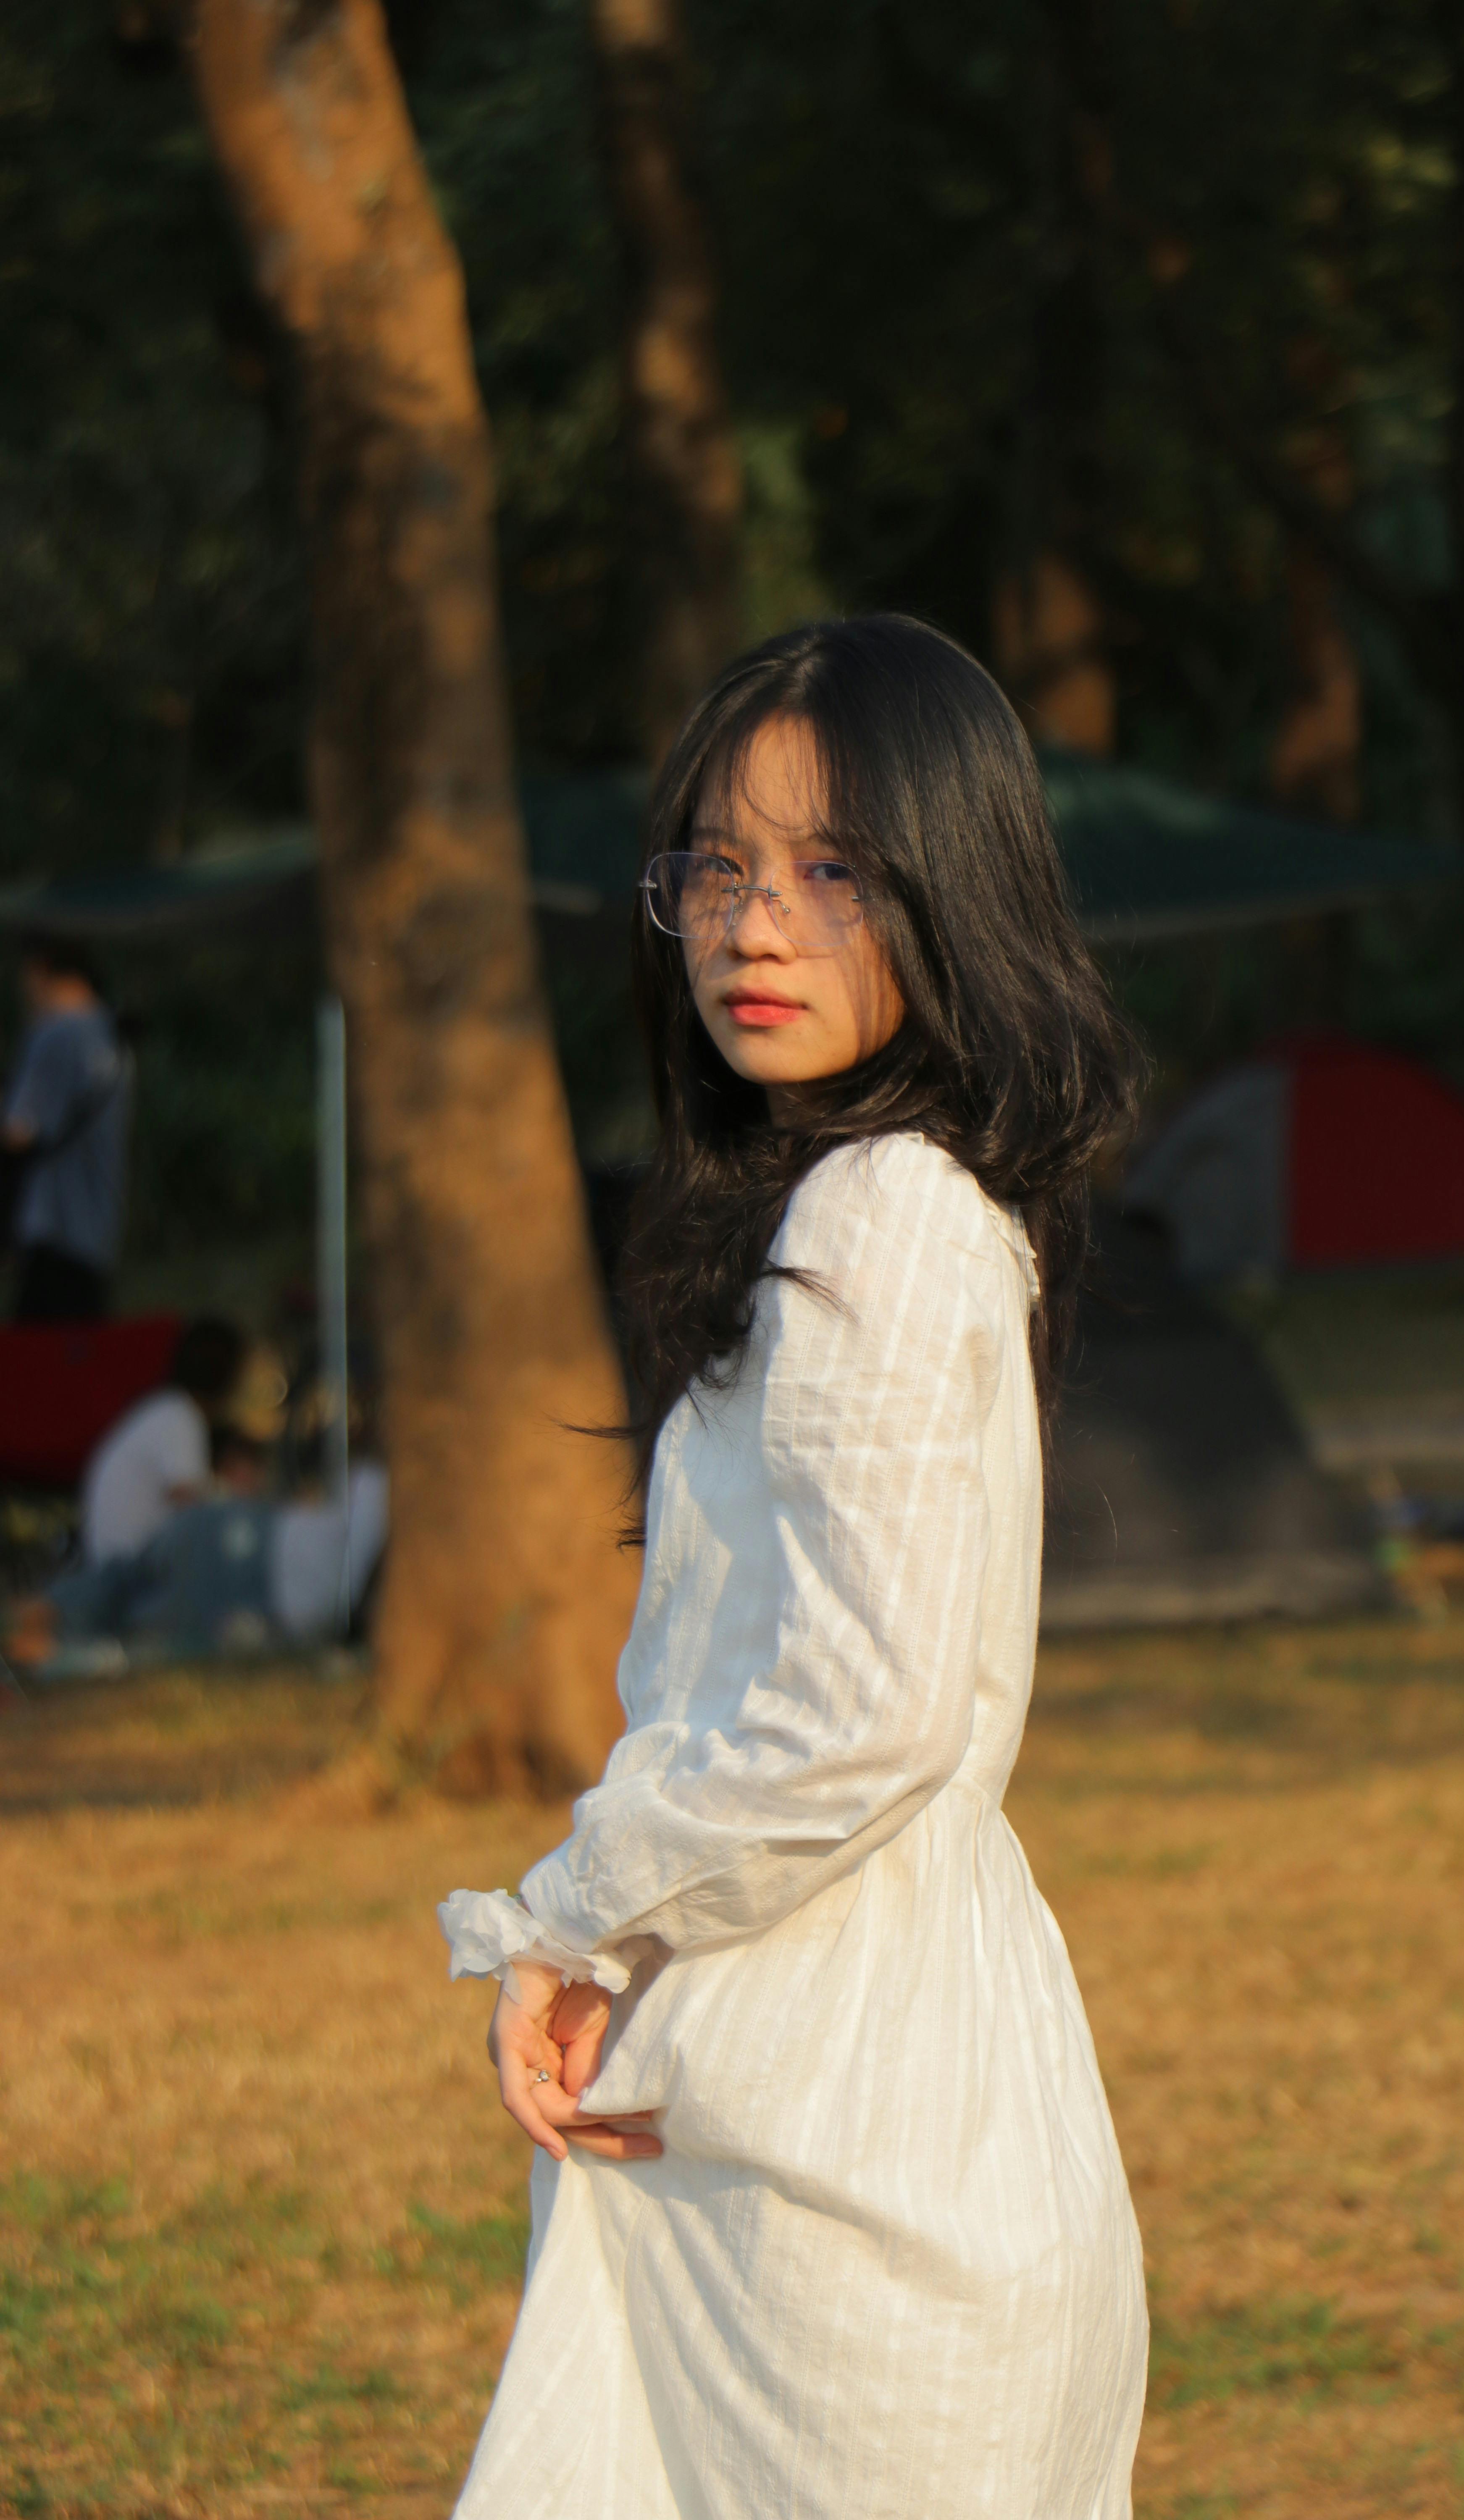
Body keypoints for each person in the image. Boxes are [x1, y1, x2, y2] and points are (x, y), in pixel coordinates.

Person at [438, 616, 1150, 2519]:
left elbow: (864, 1711)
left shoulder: (881, 1214)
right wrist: (614, 1937)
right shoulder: (875, 1204)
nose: (755, 926)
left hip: (849, 2158)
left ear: (950, 886)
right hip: (803, 2080)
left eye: (832, 870)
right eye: (718, 870)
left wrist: (571, 1909)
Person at [4, 1449, 388, 1675]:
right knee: (132, 1638)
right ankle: (40, 1648)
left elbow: (367, 1480)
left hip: (238, 1548)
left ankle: (35, 1627)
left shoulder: (386, 1499)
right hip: (252, 1603)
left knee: (124, 1588)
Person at [2, 930, 132, 1320]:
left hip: (54, 1230)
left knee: (37, 1365)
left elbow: (19, 1132)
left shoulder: (57, 1034)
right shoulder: (112, 1033)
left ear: (41, 972)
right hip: (98, 1235)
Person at [80, 1315, 251, 1564]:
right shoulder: (180, 1416)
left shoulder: (165, 1409)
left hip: (119, 1561)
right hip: (130, 1571)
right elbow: (188, 1501)